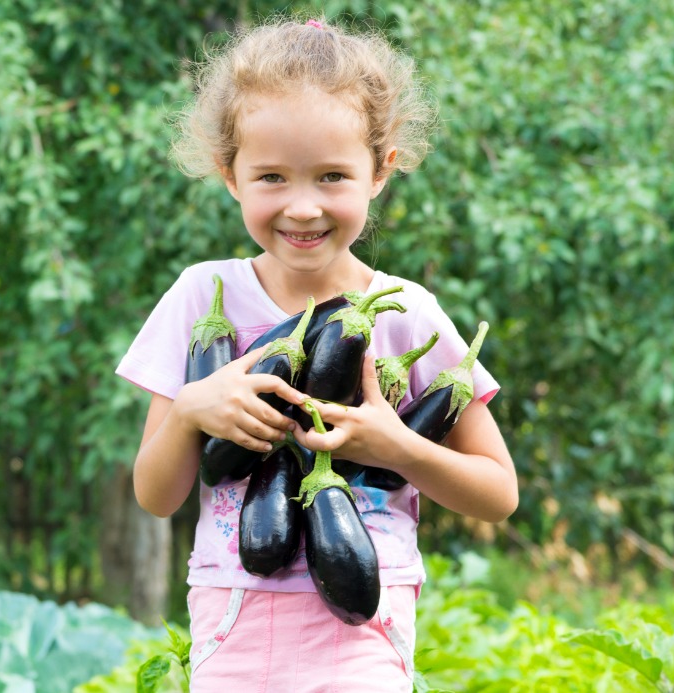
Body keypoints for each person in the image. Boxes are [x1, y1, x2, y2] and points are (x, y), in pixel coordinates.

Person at [115, 16, 517, 692]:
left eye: (332, 176)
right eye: (271, 176)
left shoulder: (407, 312)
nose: (302, 208)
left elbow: (498, 493)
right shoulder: (199, 297)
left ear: (380, 171)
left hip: (364, 631)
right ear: (230, 175)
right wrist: (189, 411)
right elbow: (156, 496)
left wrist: (399, 447)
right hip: (233, 622)